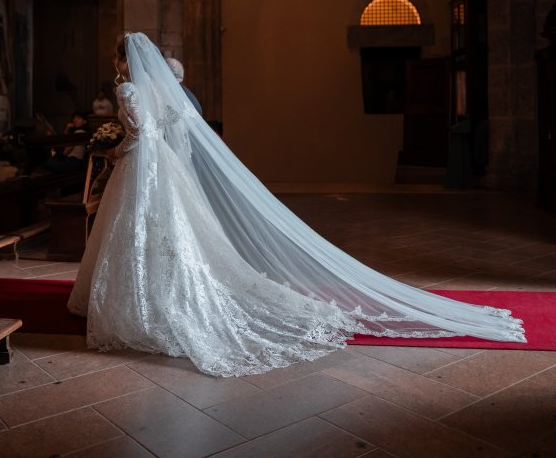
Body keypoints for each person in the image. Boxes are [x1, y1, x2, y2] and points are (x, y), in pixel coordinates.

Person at [68, 33, 525, 378]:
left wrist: (114, 152)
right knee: (169, 236)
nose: (116, 64)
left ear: (125, 61)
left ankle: (143, 302)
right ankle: (156, 296)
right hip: (164, 172)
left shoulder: (127, 92)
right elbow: (169, 129)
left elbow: (137, 134)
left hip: (140, 168)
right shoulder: (165, 95)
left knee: (141, 233)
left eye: (117, 57)